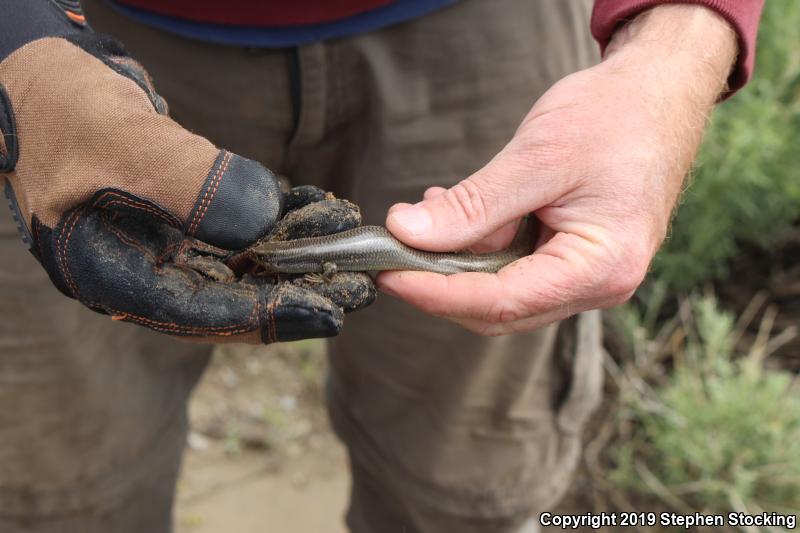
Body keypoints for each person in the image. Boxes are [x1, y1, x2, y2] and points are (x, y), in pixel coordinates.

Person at [0, 0, 763, 532]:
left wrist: (673, 50)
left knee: (469, 487)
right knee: (57, 488)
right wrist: (15, 40)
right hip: (74, 45)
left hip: (485, 31)